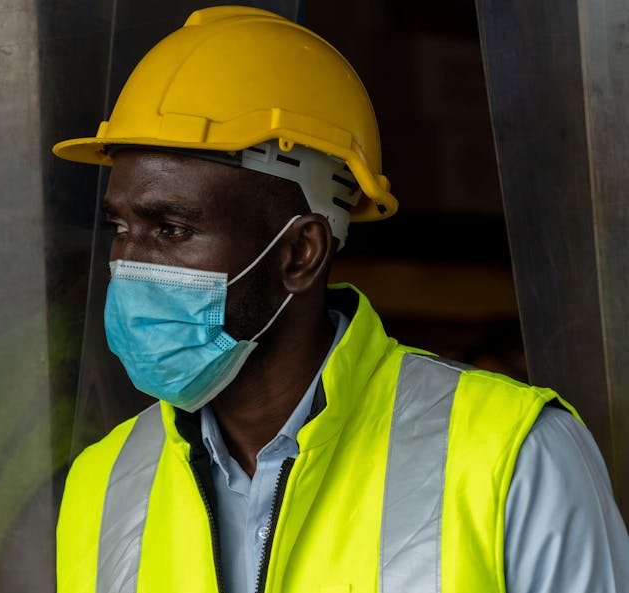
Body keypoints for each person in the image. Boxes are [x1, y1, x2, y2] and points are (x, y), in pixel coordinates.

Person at [52, 6, 629, 593]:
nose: (130, 262)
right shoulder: (102, 483)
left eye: (172, 229)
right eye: (120, 228)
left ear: (300, 252)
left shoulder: (516, 458)